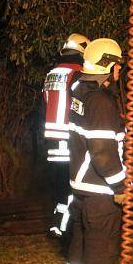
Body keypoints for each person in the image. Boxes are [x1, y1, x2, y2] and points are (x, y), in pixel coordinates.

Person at [62, 38, 127, 264]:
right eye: (118, 65)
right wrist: (120, 186)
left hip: (80, 183)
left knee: (81, 236)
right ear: (109, 66)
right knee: (101, 242)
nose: (120, 71)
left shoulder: (79, 90)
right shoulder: (100, 102)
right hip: (99, 186)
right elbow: (102, 152)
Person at [43, 33, 89, 238]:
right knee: (74, 182)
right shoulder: (78, 74)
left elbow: (47, 101)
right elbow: (81, 106)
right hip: (70, 136)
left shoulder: (51, 74)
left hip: (52, 137)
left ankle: (58, 223)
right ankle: (65, 228)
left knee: (60, 182)